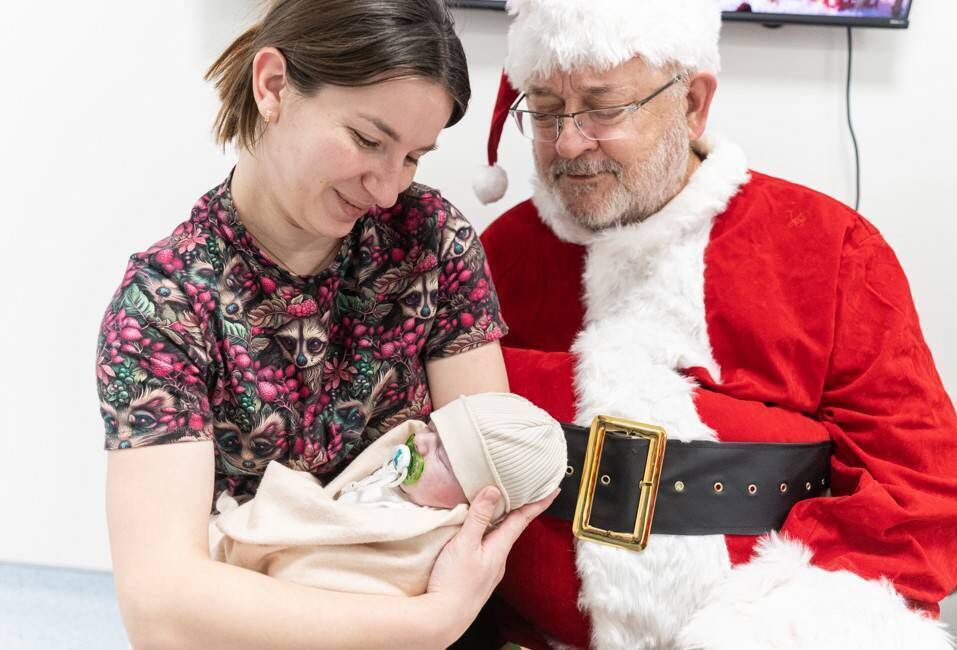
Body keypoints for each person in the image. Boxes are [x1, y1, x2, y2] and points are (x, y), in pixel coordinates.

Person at [473, 0, 957, 648]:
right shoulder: (496, 257)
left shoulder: (829, 249)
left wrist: (765, 627)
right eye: (544, 108)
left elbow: (920, 490)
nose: (565, 141)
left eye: (601, 107)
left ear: (693, 103)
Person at [95, 1, 557, 648]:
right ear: (274, 86)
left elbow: (489, 480)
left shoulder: (428, 241)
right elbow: (159, 600)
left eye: (414, 157)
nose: (389, 188)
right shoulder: (167, 306)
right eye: (369, 141)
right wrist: (426, 624)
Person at [211, 392, 567, 597]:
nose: (421, 443)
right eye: (431, 428)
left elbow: (359, 577)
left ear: (478, 502)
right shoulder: (401, 475)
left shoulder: (424, 537)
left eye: (443, 454)